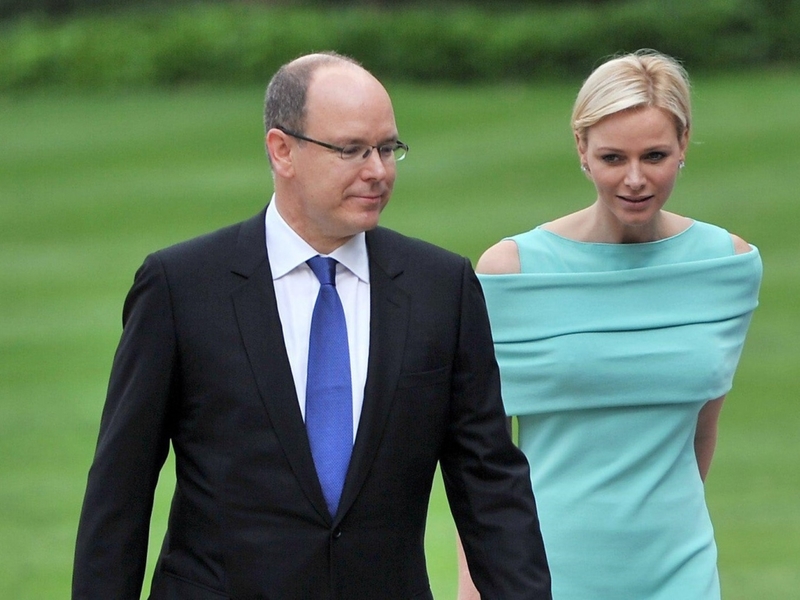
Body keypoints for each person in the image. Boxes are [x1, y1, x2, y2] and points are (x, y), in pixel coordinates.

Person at [72, 51, 551, 600]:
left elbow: (491, 488)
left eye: (388, 148)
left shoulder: (442, 288)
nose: (378, 170)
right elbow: (120, 491)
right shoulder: (180, 287)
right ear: (283, 151)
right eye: (351, 150)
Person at [457, 49, 762, 599]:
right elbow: (480, 457)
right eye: (613, 158)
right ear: (582, 149)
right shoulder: (511, 271)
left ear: (684, 144)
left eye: (655, 155)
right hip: (544, 571)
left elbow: (701, 428)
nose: (636, 179)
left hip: (681, 572)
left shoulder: (728, 265)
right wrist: (474, 587)